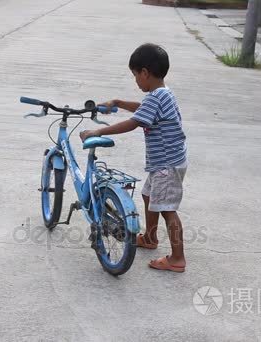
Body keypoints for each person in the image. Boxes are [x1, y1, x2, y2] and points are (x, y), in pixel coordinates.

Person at [79, 43, 188, 273]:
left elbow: (135, 121)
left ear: (145, 72)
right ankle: (149, 237)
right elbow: (141, 109)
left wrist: (98, 131)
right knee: (148, 195)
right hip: (167, 162)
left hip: (166, 165)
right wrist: (118, 103)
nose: (136, 80)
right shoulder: (163, 94)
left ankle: (177, 258)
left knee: (168, 209)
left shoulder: (155, 98)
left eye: (135, 75)